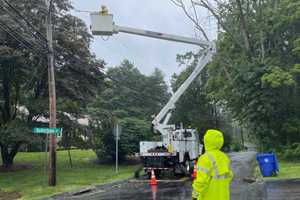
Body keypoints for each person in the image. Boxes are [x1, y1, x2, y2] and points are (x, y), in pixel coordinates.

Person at [192, 129, 233, 200]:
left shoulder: (204, 158)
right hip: (224, 196)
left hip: (209, 197)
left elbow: (201, 181)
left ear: (206, 141)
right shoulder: (224, 157)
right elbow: (230, 176)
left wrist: (194, 195)